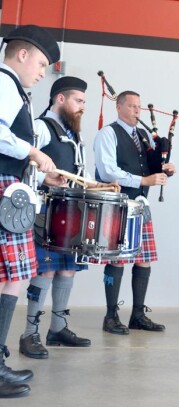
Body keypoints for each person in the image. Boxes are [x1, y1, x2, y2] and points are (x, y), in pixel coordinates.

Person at [0, 25, 60, 398]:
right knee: (9, 278)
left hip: (12, 189)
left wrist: (39, 174)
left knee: (13, 278)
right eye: (40, 63)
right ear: (22, 54)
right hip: (3, 188)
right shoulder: (4, 83)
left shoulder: (15, 89)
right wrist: (32, 151)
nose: (42, 72)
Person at [19, 76, 92, 360]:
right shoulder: (41, 127)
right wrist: (45, 178)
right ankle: (29, 334)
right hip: (45, 212)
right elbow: (24, 166)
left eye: (85, 102)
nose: (82, 107)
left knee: (67, 270)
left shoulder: (74, 133)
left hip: (70, 213)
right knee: (45, 271)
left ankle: (58, 328)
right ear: (59, 99)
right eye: (78, 100)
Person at [94, 90, 175, 335]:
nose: (137, 111)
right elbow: (107, 172)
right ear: (119, 107)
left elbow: (149, 168)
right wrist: (144, 179)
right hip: (117, 203)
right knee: (117, 259)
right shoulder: (108, 133)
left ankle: (137, 315)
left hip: (139, 204)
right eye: (131, 106)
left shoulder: (142, 135)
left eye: (139, 107)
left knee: (143, 259)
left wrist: (164, 170)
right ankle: (110, 317)